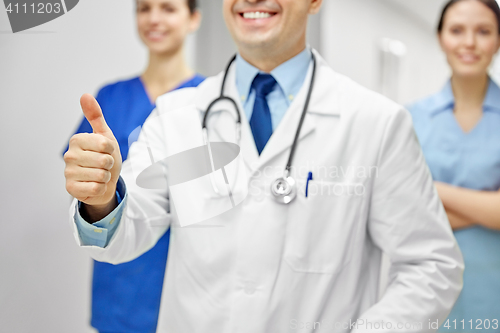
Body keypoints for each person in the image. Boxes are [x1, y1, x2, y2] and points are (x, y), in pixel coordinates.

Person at [63, 0, 464, 332]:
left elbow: (432, 265)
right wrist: (102, 200)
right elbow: (127, 230)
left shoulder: (375, 122)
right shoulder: (178, 115)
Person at [63, 0, 203, 332]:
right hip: (120, 289)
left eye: (168, 8)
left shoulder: (209, 101)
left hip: (184, 282)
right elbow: (86, 189)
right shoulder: (110, 98)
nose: (154, 18)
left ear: (193, 19)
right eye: (144, 8)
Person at [407, 0, 500, 331]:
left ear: (498, 40)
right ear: (440, 38)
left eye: (484, 31)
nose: (469, 43)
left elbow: (415, 205)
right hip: (423, 289)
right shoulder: (407, 119)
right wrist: (486, 208)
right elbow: (398, 212)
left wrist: (430, 191)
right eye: (457, 30)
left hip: (494, 289)